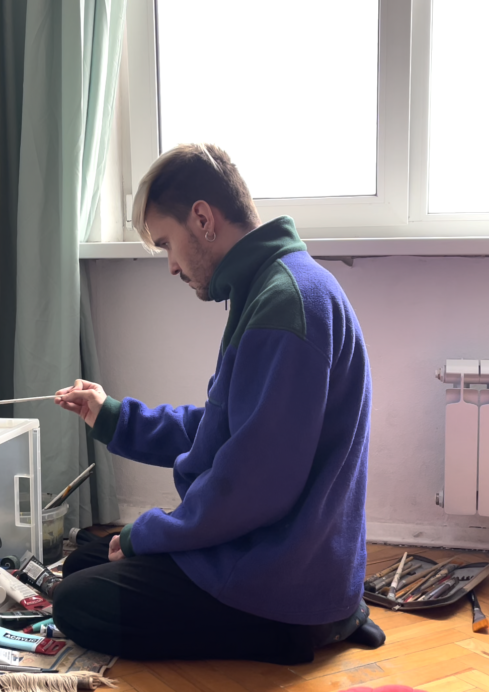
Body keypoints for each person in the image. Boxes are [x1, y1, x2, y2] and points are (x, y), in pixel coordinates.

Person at [51, 143, 383, 665]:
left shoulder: (284, 302)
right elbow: (224, 429)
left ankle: (298, 631)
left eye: (166, 244)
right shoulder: (273, 287)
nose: (170, 266)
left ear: (203, 218)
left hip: (280, 574)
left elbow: (251, 487)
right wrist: (113, 416)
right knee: (84, 564)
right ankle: (325, 615)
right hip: (284, 552)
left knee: (76, 602)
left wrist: (150, 532)